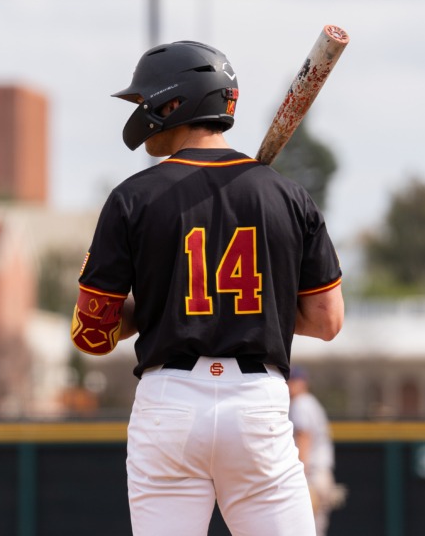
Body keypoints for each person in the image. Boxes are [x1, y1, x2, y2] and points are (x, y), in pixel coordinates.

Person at [70, 40, 345, 536]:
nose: (140, 111)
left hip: (169, 402)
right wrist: (263, 306)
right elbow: (327, 321)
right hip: (257, 401)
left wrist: (158, 305)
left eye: (146, 99)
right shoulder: (287, 195)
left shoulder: (133, 197)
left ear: (174, 103)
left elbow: (92, 334)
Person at [288, 366, 344, 536]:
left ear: (302, 383)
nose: (288, 384)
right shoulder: (310, 402)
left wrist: (300, 477)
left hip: (310, 473)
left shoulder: (301, 404)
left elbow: (304, 438)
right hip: (320, 473)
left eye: (292, 381)